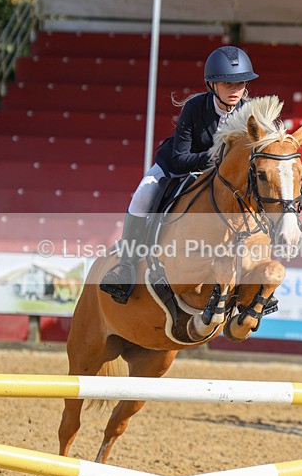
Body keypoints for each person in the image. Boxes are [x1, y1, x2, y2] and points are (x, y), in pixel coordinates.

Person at [100, 45, 259, 304]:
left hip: (222, 178)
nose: (235, 90)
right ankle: (126, 266)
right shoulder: (195, 108)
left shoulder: (249, 112)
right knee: (143, 194)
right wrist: (213, 159)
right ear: (211, 84)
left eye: (240, 83)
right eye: (228, 84)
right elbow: (178, 159)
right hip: (180, 166)